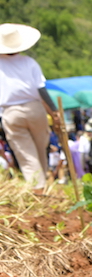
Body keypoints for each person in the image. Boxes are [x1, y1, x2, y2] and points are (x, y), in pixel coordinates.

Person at [0, 23, 59, 192]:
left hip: (11, 113)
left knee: (26, 154)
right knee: (41, 148)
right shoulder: (29, 62)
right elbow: (42, 91)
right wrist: (54, 113)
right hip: (35, 110)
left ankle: (37, 188)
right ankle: (43, 187)